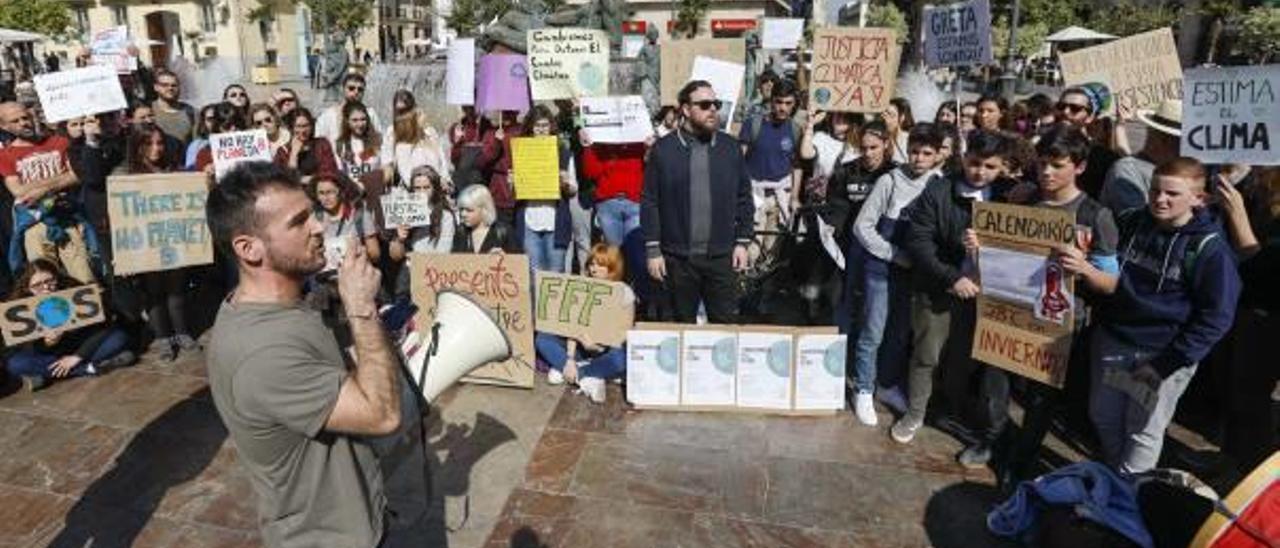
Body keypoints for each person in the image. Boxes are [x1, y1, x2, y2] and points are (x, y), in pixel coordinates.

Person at [205, 161, 411, 547]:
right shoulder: (263, 355)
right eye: (299, 222)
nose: (318, 227)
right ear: (249, 248)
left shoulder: (286, 302)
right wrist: (361, 308)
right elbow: (382, 415)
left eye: (313, 213)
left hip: (355, 520)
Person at [962, 126, 1121, 475]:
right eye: (1042, 164)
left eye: (1057, 165)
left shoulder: (1096, 215)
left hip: (1058, 322)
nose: (1047, 173)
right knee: (994, 382)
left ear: (1079, 167)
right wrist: (981, 246)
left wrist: (1084, 269)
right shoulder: (1022, 199)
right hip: (1007, 308)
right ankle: (992, 438)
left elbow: (1110, 283)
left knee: (1040, 397)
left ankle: (1021, 459)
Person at [1067, 158, 1240, 474]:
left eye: (1172, 194)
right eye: (1155, 190)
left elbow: (1216, 318)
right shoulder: (1133, 221)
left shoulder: (1209, 249)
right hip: (1114, 343)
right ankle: (1114, 478)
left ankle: (1128, 499)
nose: (1160, 199)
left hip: (1160, 356)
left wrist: (1165, 365)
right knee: (1103, 415)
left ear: (1199, 199)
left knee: (1142, 430)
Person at [891, 131, 1018, 444]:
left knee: (963, 358)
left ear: (1002, 166)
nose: (980, 172)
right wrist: (953, 278)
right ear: (964, 157)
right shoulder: (939, 190)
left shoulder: (1009, 195)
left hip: (985, 294)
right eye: (975, 163)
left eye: (990, 166)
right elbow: (919, 242)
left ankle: (950, 408)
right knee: (927, 353)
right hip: (938, 289)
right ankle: (916, 412)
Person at [848, 123, 947, 426]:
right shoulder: (890, 181)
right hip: (882, 269)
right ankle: (863, 389)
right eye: (914, 151)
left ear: (937, 156)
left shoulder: (939, 184)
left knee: (900, 333)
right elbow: (862, 226)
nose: (918, 158)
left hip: (916, 275)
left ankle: (886, 384)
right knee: (873, 330)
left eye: (926, 153)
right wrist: (894, 254)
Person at [641, 80, 754, 324]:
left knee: (725, 330)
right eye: (704, 105)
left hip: (721, 258)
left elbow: (745, 198)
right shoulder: (663, 150)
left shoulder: (730, 148)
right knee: (679, 330)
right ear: (685, 109)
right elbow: (650, 201)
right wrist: (653, 250)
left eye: (716, 104)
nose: (713, 109)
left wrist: (743, 242)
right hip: (677, 260)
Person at [122, 125, 204, 359]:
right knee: (154, 292)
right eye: (149, 144)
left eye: (160, 143)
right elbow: (120, 215)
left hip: (173, 238)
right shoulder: (126, 175)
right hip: (144, 243)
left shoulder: (173, 170)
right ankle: (162, 337)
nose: (156, 149)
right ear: (138, 147)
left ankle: (182, 332)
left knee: (177, 289)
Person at [0, 102, 99, 283]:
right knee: (44, 280)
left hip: (67, 218)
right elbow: (19, 191)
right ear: (4, 127)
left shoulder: (58, 142)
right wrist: (61, 178)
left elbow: (77, 175)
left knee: (84, 278)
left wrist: (44, 188)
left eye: (25, 117)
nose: (24, 123)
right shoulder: (5, 155)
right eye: (15, 121)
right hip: (34, 223)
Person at [5, 259, 136, 391]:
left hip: (81, 346)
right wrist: (47, 342)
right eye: (37, 285)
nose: (46, 288)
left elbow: (103, 327)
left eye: (50, 281)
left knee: (119, 338)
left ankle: (47, 374)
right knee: (16, 364)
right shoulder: (18, 306)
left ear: (57, 277)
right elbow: (20, 347)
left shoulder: (73, 289)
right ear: (28, 288)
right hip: (50, 356)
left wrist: (78, 356)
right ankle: (90, 368)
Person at [534, 244, 633, 403]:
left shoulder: (624, 292)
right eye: (592, 264)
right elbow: (572, 327)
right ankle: (587, 375)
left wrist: (598, 347)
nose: (594, 269)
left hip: (605, 349)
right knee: (542, 339)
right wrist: (569, 359)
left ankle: (579, 373)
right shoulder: (581, 285)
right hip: (579, 346)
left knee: (621, 359)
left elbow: (624, 331)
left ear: (612, 267)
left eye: (600, 265)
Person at [739, 80, 802, 247]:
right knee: (751, 247)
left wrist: (794, 197)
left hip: (780, 196)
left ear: (794, 104)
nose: (783, 108)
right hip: (754, 194)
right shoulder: (753, 124)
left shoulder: (795, 130)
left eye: (788, 103)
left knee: (773, 248)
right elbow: (738, 161)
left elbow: (797, 166)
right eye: (779, 102)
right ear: (771, 101)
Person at [514, 105, 572, 275]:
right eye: (537, 125)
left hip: (555, 221)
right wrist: (513, 183)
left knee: (555, 275)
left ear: (551, 127)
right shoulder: (521, 151)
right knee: (534, 274)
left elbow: (573, 190)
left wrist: (565, 183)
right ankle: (535, 303)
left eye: (545, 125)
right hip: (530, 221)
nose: (541, 130)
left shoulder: (563, 152)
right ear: (530, 127)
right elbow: (516, 193)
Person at [1100, 99, 1182, 215]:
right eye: (1180, 142)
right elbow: (1135, 223)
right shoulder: (1126, 171)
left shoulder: (1173, 171)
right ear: (1166, 141)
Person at [389, 165, 456, 296]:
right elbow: (395, 256)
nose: (422, 192)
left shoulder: (445, 215)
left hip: (434, 274)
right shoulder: (403, 212)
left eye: (426, 187)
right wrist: (400, 238)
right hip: (408, 274)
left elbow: (444, 253)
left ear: (435, 188)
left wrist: (417, 258)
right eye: (417, 188)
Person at [579, 129, 645, 247]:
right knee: (614, 255)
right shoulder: (602, 141)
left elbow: (651, 167)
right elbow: (591, 173)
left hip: (635, 202)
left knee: (635, 253)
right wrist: (588, 147)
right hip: (608, 204)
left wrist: (650, 147)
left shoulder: (640, 139)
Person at [1053, 84, 1120, 199]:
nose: (1065, 111)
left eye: (1075, 108)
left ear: (1090, 117)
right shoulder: (1040, 146)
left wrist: (1120, 127)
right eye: (1061, 106)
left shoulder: (1103, 157)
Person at [382, 91, 450, 190]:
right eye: (400, 111)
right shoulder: (394, 135)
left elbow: (442, 163)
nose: (404, 115)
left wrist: (445, 180)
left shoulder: (430, 132)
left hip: (438, 189)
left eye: (407, 110)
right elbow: (391, 165)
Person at [315, 73, 382, 143]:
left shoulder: (371, 113)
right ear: (342, 89)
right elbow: (319, 142)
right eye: (351, 88)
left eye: (360, 89)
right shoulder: (328, 116)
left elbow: (379, 139)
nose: (356, 92)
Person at [452, 184, 519, 253]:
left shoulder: (503, 232)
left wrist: (505, 257)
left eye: (469, 210)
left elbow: (519, 260)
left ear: (484, 210)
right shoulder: (461, 232)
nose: (463, 214)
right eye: (461, 209)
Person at [275, 108, 339, 180]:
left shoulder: (322, 144)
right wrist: (293, 155)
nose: (303, 130)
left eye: (306, 125)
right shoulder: (282, 152)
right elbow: (285, 180)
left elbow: (330, 172)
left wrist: (304, 179)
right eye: (298, 126)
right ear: (291, 128)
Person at [333, 101, 384, 188]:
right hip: (352, 191)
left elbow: (384, 167)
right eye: (355, 120)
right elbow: (340, 172)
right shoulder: (340, 145)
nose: (360, 124)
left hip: (375, 190)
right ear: (347, 121)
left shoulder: (378, 141)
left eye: (363, 119)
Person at [150, 69, 196, 145]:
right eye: (165, 85)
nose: (170, 88)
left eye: (174, 85)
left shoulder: (192, 112)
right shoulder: (148, 110)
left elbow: (196, 145)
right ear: (156, 87)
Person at [185, 105, 218, 169]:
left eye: (216, 118)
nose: (214, 122)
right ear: (204, 122)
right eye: (210, 119)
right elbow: (190, 171)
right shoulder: (196, 145)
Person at [882, 98, 915, 164]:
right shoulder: (878, 136)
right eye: (883, 113)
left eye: (889, 114)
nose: (883, 117)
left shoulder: (908, 139)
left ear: (902, 118)